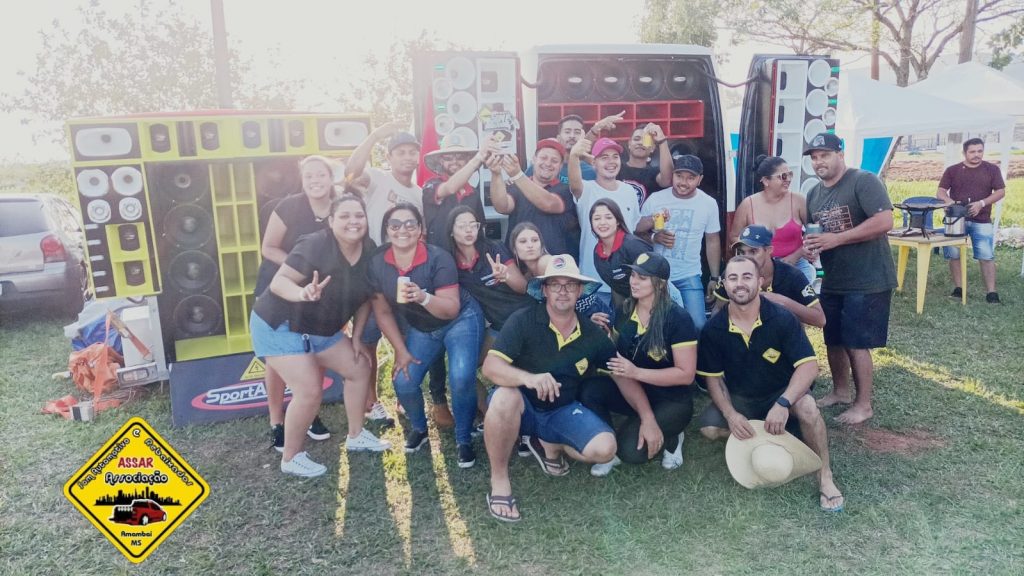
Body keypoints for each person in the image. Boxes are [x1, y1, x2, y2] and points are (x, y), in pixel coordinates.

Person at [250, 195, 415, 477]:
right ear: (331, 221)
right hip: (280, 325)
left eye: (359, 216)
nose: (353, 222)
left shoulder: (369, 250)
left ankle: (356, 435)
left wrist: (356, 337)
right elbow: (279, 283)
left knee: (359, 366)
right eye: (345, 216)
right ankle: (291, 457)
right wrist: (302, 293)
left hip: (320, 329)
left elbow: (366, 299)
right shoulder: (315, 243)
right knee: (310, 390)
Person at [481, 255, 626, 522]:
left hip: (562, 408)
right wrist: (529, 379)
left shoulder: (591, 332)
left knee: (605, 448)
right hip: (521, 405)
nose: (562, 291)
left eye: (570, 285)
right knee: (503, 398)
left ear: (580, 290)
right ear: (544, 290)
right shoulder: (523, 320)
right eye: (555, 284)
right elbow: (490, 367)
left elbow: (621, 373)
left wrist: (649, 417)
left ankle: (550, 443)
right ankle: (499, 481)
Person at [696, 256, 844, 512]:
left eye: (746, 277)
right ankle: (770, 436)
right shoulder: (713, 329)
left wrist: (783, 403)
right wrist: (731, 415)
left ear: (760, 281)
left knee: (808, 409)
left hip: (782, 392)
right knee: (708, 429)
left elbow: (808, 366)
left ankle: (825, 476)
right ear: (724, 285)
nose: (739, 284)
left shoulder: (782, 318)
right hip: (743, 399)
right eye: (732, 278)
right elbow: (713, 378)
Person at [366, 203, 485, 467]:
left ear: (420, 229)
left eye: (410, 224)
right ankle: (419, 429)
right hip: (423, 327)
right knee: (404, 381)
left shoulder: (437, 257)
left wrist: (423, 297)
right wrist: (400, 350)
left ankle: (463, 438)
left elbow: (451, 308)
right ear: (387, 230)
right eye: (395, 224)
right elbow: (383, 311)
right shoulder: (377, 261)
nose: (403, 230)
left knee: (461, 377)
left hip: (460, 319)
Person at [803, 132, 896, 425]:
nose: (819, 162)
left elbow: (885, 221)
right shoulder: (814, 194)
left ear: (840, 154)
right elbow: (818, 232)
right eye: (815, 157)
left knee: (857, 342)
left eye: (825, 155)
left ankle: (863, 404)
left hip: (868, 278)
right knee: (833, 337)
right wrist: (811, 247)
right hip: (834, 279)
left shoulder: (863, 181)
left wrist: (837, 240)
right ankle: (841, 392)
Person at [581, 252, 698, 476]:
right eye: (633, 275)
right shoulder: (624, 311)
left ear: (661, 284)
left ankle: (673, 434)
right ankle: (607, 441)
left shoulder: (678, 318)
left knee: (631, 453)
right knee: (590, 390)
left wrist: (636, 372)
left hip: (672, 399)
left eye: (642, 278)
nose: (633, 281)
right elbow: (617, 365)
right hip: (636, 392)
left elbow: (686, 375)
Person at [345, 123, 424, 422]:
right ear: (390, 157)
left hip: (403, 275)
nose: (407, 158)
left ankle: (402, 394)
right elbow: (350, 172)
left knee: (403, 336)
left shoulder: (417, 193)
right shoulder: (378, 179)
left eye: (412, 152)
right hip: (370, 273)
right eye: (400, 152)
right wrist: (374, 137)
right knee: (368, 338)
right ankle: (370, 399)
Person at [255, 155, 335, 451]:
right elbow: (268, 247)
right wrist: (299, 268)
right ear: (303, 180)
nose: (315, 180)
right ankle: (276, 421)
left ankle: (310, 413)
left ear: (331, 177)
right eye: (309, 176)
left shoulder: (338, 207)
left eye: (321, 174)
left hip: (317, 291)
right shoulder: (288, 206)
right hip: (277, 289)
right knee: (278, 357)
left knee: (315, 350)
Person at [635, 155, 722, 331]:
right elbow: (636, 230)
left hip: (688, 275)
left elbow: (712, 240)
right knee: (655, 326)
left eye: (691, 177)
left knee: (698, 325)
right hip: (656, 277)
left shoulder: (708, 204)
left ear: (700, 179)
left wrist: (714, 277)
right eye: (680, 176)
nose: (684, 182)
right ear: (672, 175)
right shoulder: (656, 198)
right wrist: (654, 236)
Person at [569, 111, 642, 308]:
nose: (610, 162)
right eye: (603, 157)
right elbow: (574, 180)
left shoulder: (629, 191)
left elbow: (633, 227)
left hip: (628, 283)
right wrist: (576, 152)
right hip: (593, 281)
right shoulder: (586, 188)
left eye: (615, 157)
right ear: (593, 163)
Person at [712, 225, 825, 328]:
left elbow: (820, 319)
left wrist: (783, 302)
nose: (747, 258)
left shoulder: (791, 275)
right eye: (741, 252)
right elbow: (718, 309)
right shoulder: (732, 274)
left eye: (753, 251)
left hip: (784, 339)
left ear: (769, 250)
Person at [936, 137, 1006, 303]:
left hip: (981, 219)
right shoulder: (952, 170)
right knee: (954, 254)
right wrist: (951, 203)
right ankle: (959, 288)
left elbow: (1000, 191)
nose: (976, 155)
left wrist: (981, 203)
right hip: (955, 219)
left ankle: (991, 292)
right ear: (964, 153)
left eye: (979, 151)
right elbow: (940, 191)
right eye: (972, 152)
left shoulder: (992, 169)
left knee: (986, 255)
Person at [490, 139, 580, 259]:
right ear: (534, 159)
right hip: (519, 264)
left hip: (555, 267)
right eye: (543, 158)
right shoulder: (516, 185)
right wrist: (496, 174)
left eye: (554, 161)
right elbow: (502, 207)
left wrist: (517, 175)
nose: (548, 163)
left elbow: (547, 204)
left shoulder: (566, 190)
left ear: (560, 166)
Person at [730, 155, 815, 282]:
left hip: (796, 265)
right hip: (759, 268)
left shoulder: (798, 201)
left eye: (790, 174)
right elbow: (734, 237)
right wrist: (754, 254)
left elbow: (814, 232)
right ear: (766, 181)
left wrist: (797, 255)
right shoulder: (748, 204)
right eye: (783, 176)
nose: (788, 180)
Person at [526, 114, 597, 184]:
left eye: (577, 132)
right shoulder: (539, 167)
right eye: (567, 132)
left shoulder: (590, 172)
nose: (572, 136)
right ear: (559, 138)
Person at [618, 124, 673, 206]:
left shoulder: (654, 173)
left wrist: (662, 141)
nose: (640, 143)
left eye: (646, 140)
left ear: (652, 148)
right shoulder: (617, 169)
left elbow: (667, 180)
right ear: (629, 144)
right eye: (636, 139)